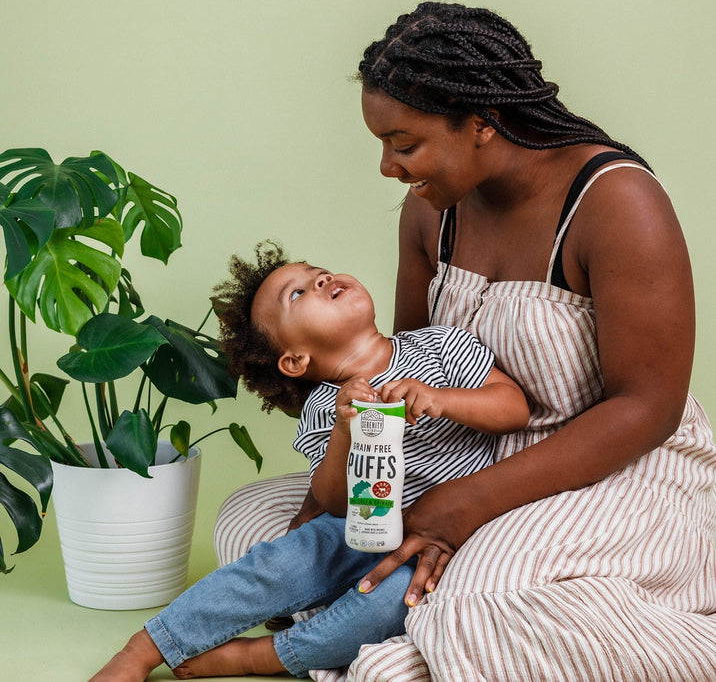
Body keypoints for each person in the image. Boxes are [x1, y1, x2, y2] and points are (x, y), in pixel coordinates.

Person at [214, 1, 716, 681]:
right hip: (460, 456)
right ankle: (418, 634)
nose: (388, 167)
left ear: (483, 122)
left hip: (612, 468)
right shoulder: (431, 209)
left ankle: (424, 628)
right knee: (253, 526)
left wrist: (464, 506)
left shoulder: (617, 203)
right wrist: (320, 514)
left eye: (404, 142)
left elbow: (647, 408)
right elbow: (409, 370)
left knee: (485, 600)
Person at [89, 241, 529, 681]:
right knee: (273, 566)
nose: (320, 279)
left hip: (438, 534)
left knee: (386, 607)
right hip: (356, 527)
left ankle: (266, 655)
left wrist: (442, 398)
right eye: (297, 294)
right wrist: (343, 431)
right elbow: (334, 502)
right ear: (296, 360)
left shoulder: (439, 345)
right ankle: (149, 646)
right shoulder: (323, 408)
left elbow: (513, 409)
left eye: (319, 272)